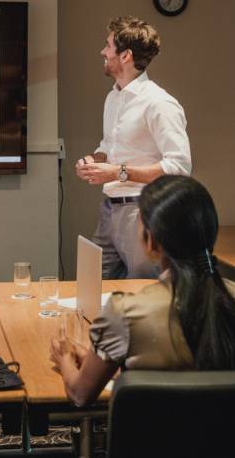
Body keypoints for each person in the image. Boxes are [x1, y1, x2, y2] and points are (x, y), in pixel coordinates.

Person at [50, 175, 235, 406]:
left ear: (151, 242)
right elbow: (194, 379)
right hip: (233, 439)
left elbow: (81, 394)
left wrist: (65, 359)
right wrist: (98, 361)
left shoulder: (125, 312)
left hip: (154, 441)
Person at [75, 16, 191, 278]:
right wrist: (93, 160)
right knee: (91, 286)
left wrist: (117, 172)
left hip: (144, 212)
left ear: (125, 55)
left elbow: (179, 167)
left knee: (143, 290)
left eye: (108, 46)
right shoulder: (113, 97)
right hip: (110, 209)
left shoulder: (159, 103)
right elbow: (108, 146)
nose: (102, 52)